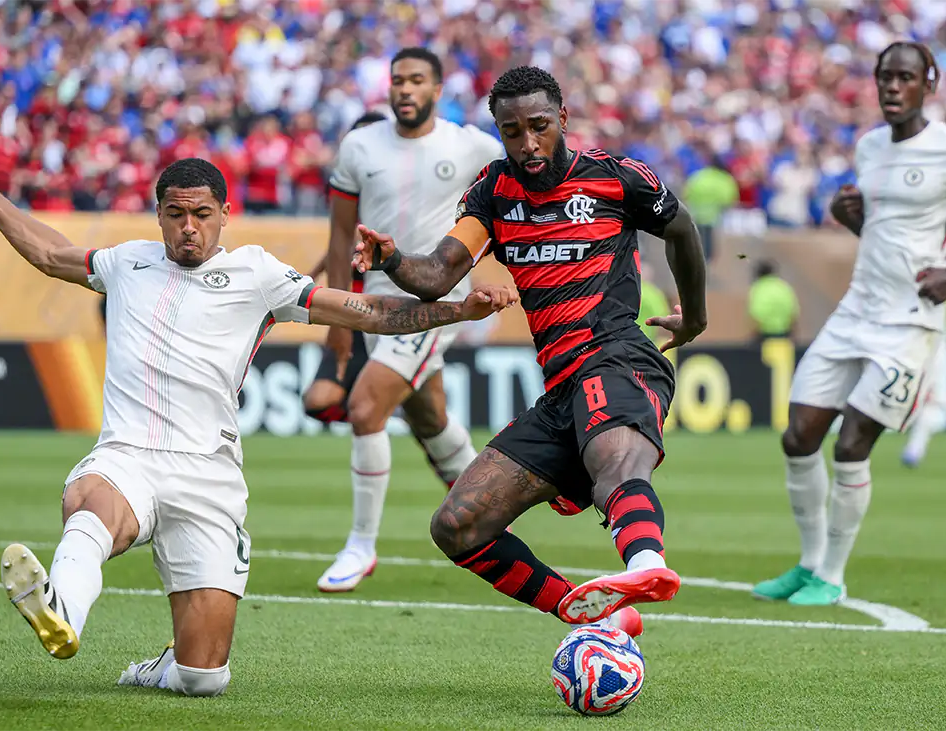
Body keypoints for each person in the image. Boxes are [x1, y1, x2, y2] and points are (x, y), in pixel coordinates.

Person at [0, 146, 515, 696]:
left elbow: (365, 311)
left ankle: (161, 667)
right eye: (175, 215)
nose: (188, 227)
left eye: (200, 214)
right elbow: (49, 253)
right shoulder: (125, 263)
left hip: (208, 478)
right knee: (94, 505)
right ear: (159, 216)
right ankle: (61, 609)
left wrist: (455, 310)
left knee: (204, 679)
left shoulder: (258, 275)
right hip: (128, 456)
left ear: (223, 215)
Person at [352, 66, 708, 636]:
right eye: (512, 131)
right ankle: (590, 613)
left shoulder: (615, 179)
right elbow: (438, 274)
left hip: (616, 357)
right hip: (560, 391)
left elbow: (683, 228)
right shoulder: (493, 192)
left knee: (614, 464)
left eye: (539, 126)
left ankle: (645, 565)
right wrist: (393, 259)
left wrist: (696, 315)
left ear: (562, 119)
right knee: (458, 526)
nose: (528, 143)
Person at [752, 42, 946, 606]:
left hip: (909, 322)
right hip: (856, 309)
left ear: (930, 83)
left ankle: (830, 574)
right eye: (884, 77)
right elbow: (886, 237)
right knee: (798, 434)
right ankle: (806, 565)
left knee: (851, 444)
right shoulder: (869, 147)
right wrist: (853, 221)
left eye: (905, 77)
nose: (892, 87)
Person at [315, 48, 505, 593]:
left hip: (435, 303)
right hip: (374, 305)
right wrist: (336, 314)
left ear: (437, 88)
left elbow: (519, 189)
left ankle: (359, 545)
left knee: (366, 405)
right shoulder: (359, 146)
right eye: (397, 79)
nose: (405, 88)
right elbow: (337, 236)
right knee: (429, 417)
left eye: (416, 80)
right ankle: (489, 512)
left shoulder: (470, 146)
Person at [301, 110, 388, 426]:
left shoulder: (396, 195)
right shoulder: (346, 190)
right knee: (317, 403)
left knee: (428, 418)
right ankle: (376, 412)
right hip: (350, 314)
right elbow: (340, 245)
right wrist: (312, 275)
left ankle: (379, 410)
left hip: (385, 313)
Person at [901, 281, 946, 468]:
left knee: (927, 399)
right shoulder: (931, 275)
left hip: (930, 347)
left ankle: (914, 449)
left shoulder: (935, 276)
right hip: (923, 347)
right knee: (924, 398)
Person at [747, 260, 799, 340]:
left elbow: (755, 314)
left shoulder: (758, 288)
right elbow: (793, 312)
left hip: (764, 335)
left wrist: (752, 334)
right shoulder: (784, 287)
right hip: (784, 334)